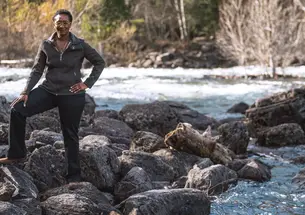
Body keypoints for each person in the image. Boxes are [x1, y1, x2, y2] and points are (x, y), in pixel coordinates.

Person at [0, 9, 105, 183]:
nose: (62, 25)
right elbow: (37, 69)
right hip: (48, 90)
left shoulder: (80, 45)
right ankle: (16, 154)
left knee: (70, 133)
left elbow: (99, 63)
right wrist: (25, 91)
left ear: (70, 25)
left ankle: (74, 175)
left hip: (71, 94)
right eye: (59, 22)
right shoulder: (46, 44)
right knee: (17, 109)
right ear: (53, 23)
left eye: (65, 22)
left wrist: (86, 84)